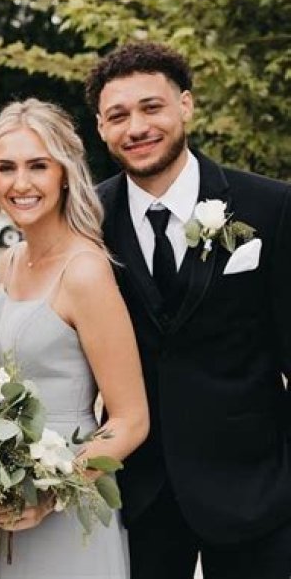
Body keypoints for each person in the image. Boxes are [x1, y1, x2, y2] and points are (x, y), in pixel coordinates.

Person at [87, 41, 291, 579]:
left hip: (258, 493)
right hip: (138, 499)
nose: (136, 127)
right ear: (102, 128)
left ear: (186, 105)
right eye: (118, 116)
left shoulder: (271, 207)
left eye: (151, 107)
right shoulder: (87, 219)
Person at [0, 99, 148, 578]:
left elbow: (131, 420)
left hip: (67, 500)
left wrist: (51, 494)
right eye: (6, 168)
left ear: (65, 174)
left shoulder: (85, 270)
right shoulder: (10, 261)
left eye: (38, 165)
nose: (21, 183)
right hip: (5, 496)